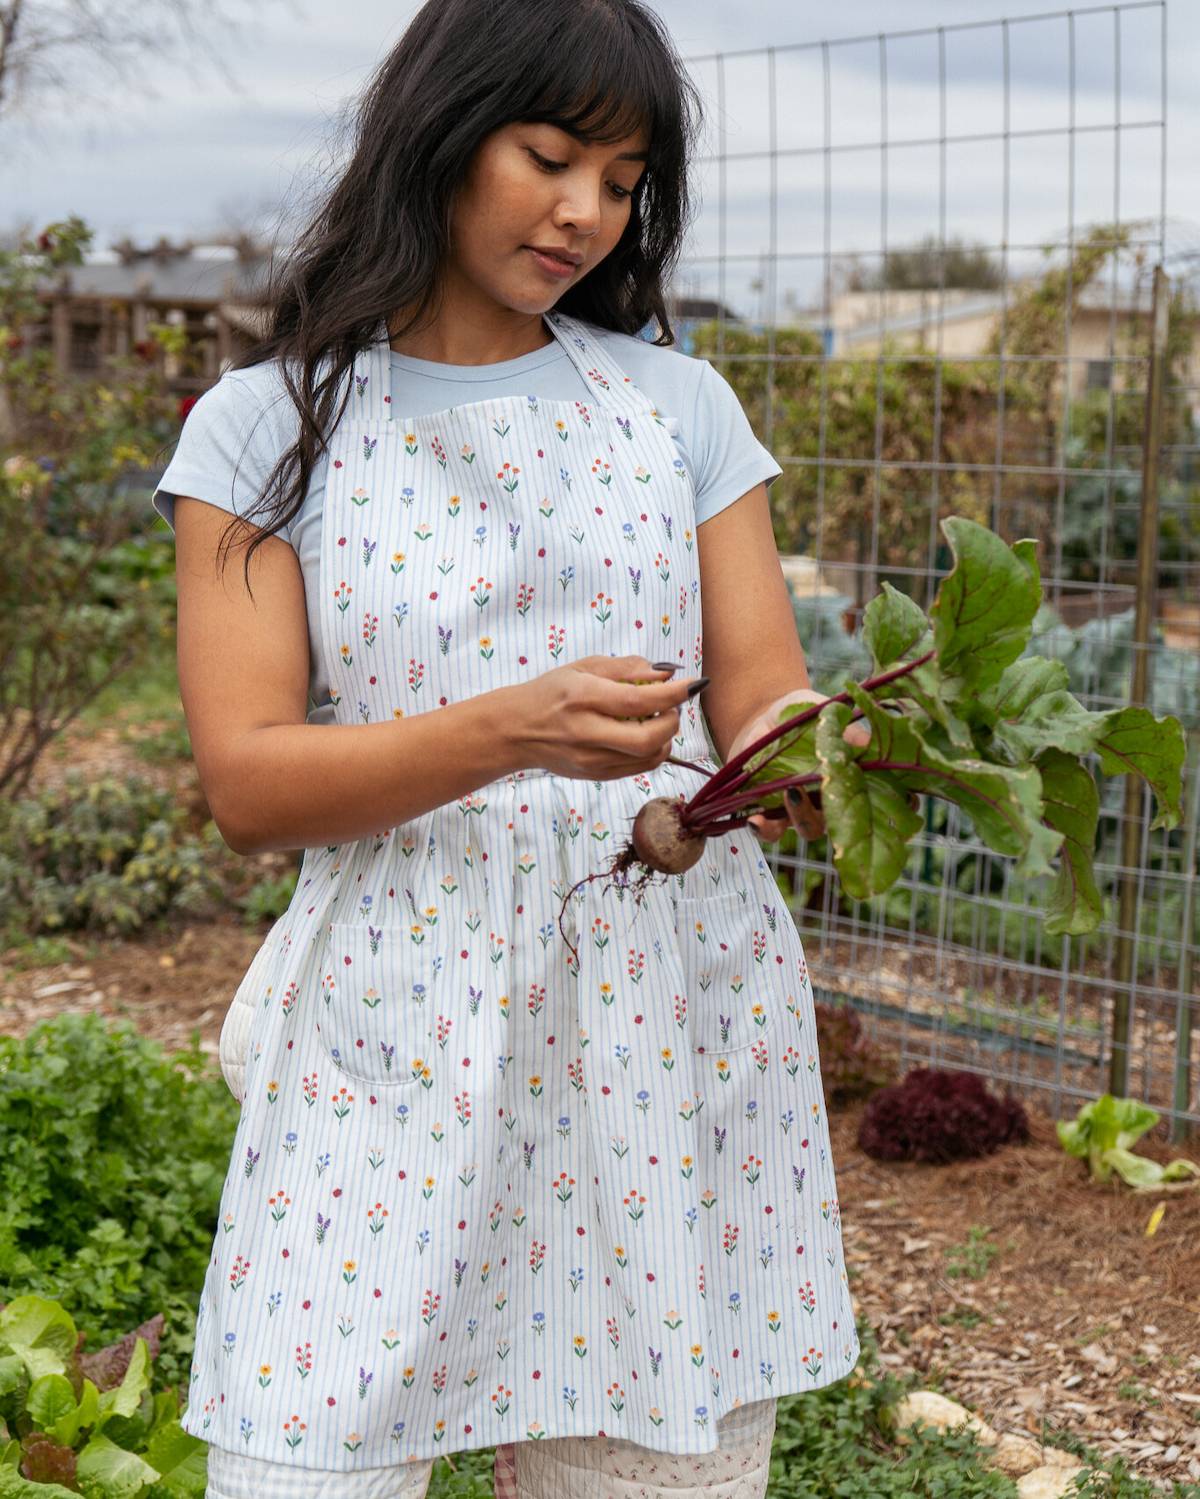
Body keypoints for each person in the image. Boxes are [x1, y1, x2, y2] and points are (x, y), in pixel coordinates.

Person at [153, 1, 862, 1494]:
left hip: (666, 1007)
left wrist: (827, 762)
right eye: (551, 157)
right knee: (306, 1460)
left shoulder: (678, 407)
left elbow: (766, 700)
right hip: (397, 1010)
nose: (586, 213)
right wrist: (513, 729)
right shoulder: (265, 427)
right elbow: (252, 783)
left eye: (622, 179)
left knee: (648, 1464)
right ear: (440, 131)